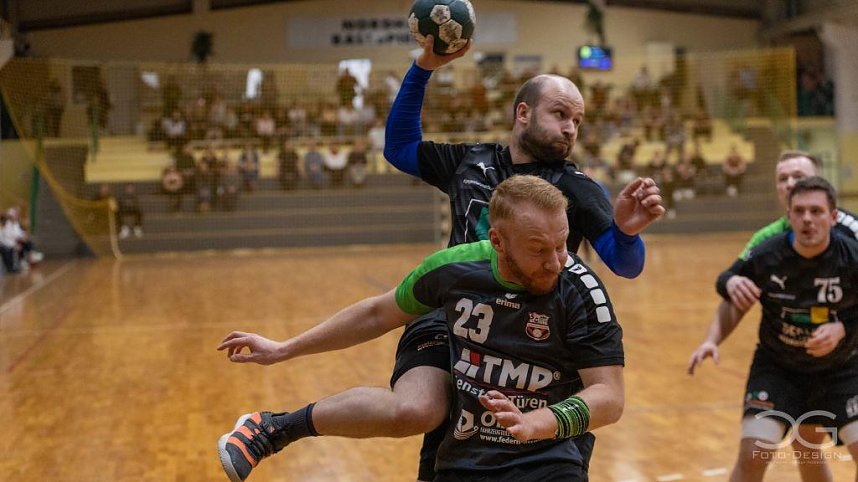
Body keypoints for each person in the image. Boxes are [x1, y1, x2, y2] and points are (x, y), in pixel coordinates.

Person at [218, 175, 625, 482]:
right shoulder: (454, 270)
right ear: (498, 241)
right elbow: (378, 314)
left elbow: (609, 396)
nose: (556, 261)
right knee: (415, 409)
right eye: (539, 249)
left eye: (563, 244)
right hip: (467, 442)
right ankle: (276, 427)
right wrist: (284, 348)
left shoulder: (581, 291)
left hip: (548, 451)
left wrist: (542, 423)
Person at [688, 176, 858, 482]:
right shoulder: (767, 254)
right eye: (800, 211)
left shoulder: (852, 257)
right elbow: (727, 283)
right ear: (789, 215)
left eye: (816, 211)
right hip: (778, 369)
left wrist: (843, 328)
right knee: (754, 454)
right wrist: (712, 339)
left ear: (833, 217)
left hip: (842, 369)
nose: (807, 219)